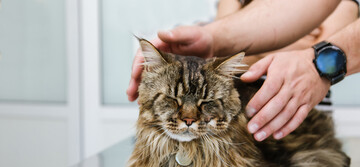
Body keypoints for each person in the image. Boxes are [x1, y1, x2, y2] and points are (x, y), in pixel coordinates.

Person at [127, 0, 359, 141]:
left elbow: (326, 43)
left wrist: (315, 60)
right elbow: (231, 61)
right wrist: (214, 38)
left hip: (310, 127)